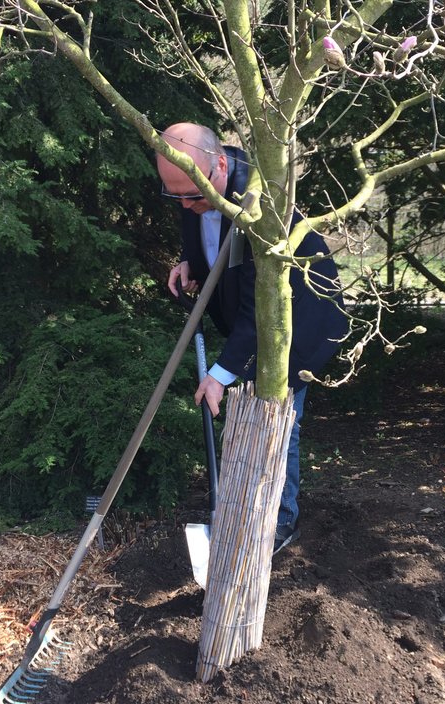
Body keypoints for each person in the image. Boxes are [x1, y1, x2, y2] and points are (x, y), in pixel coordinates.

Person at [157, 122, 347, 554]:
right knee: (255, 416)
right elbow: (201, 233)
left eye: (194, 194)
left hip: (298, 323)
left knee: (280, 418)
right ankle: (247, 507)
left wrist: (220, 375)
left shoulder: (263, 209)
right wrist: (190, 262)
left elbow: (255, 310)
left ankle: (281, 523)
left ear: (220, 166)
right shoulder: (195, 180)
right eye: (177, 196)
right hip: (255, 319)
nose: (186, 205)